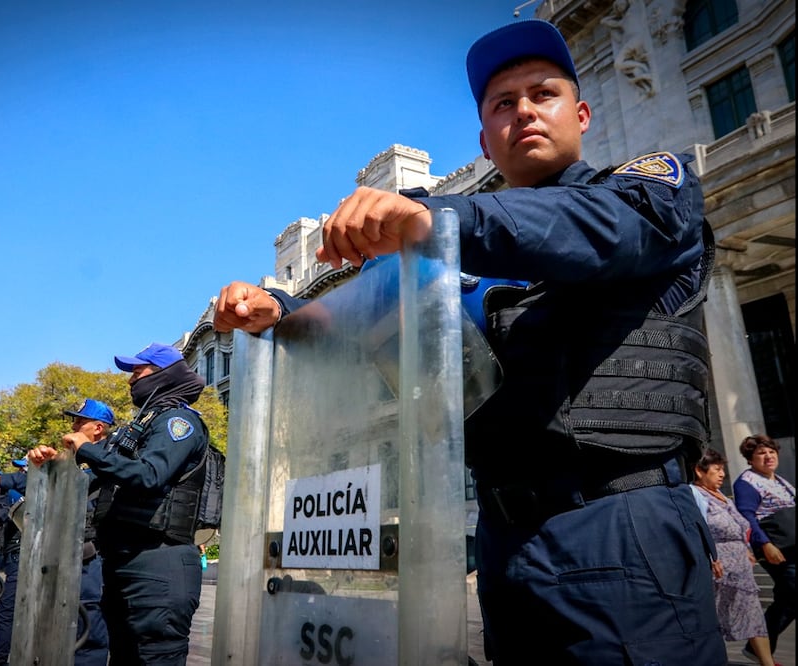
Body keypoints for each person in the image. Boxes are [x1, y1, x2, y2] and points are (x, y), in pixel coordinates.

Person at [214, 19, 723, 664]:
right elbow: (361, 327)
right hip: (505, 539)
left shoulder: (645, 187)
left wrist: (439, 218)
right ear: (485, 140)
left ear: (583, 113)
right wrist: (277, 313)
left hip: (620, 519)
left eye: (543, 95)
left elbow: (608, 228)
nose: (525, 113)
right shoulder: (460, 257)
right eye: (503, 105)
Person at [57, 343, 207, 664]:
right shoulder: (142, 426)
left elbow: (151, 475)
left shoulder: (178, 422)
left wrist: (87, 449)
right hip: (125, 563)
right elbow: (98, 482)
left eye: (138, 371)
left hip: (158, 565)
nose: (130, 380)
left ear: (164, 374)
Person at [16, 398, 118, 666]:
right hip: (63, 555)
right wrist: (46, 464)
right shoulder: (74, 459)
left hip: (91, 559)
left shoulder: (110, 455)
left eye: (79, 421)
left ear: (98, 428)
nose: (72, 426)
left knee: (87, 627)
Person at [691, 449, 776, 666]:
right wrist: (710, 557)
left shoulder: (723, 496)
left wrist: (746, 548)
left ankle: (767, 662)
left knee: (753, 614)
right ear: (700, 471)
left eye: (723, 470)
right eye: (717, 469)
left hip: (741, 568)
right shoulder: (695, 494)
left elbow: (740, 526)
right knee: (715, 617)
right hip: (719, 568)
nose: (722, 474)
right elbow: (696, 529)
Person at [734, 433, 796, 658]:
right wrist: (765, 544)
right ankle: (758, 648)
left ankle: (757, 648)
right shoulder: (747, 482)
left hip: (792, 545)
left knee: (788, 598)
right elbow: (747, 516)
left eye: (771, 451)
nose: (768, 456)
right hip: (777, 547)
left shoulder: (779, 480)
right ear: (750, 459)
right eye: (761, 453)